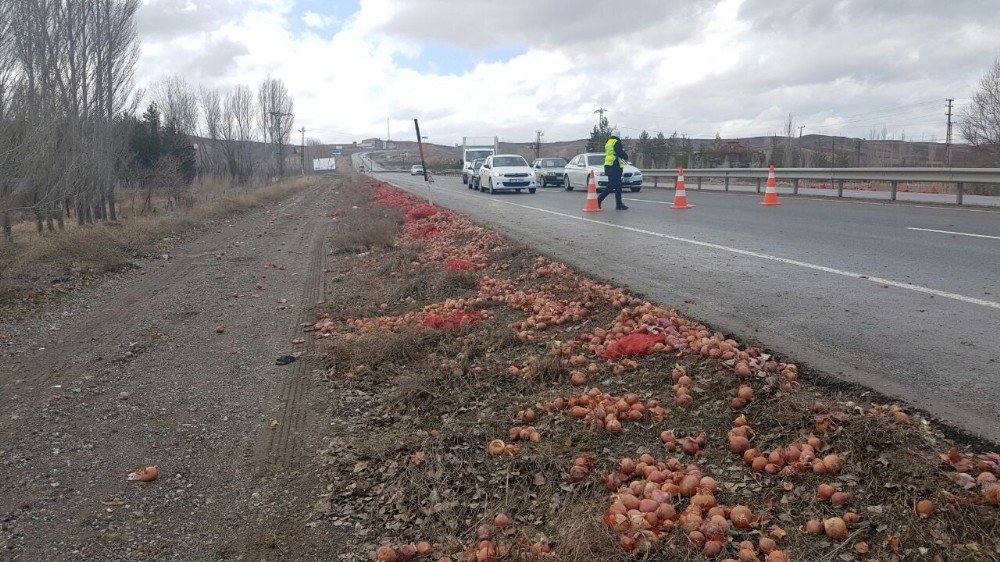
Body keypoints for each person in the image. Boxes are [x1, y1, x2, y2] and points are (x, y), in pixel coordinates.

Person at [599, 129, 629, 210]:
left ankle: (619, 204)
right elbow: (620, 152)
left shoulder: (608, 142)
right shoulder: (617, 142)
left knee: (618, 186)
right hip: (615, 166)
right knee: (611, 186)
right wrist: (626, 156)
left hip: (609, 165)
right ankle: (598, 200)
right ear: (618, 135)